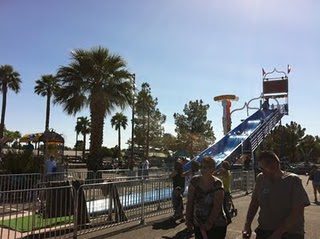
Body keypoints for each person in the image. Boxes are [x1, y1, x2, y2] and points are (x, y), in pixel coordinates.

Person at [243, 151, 310, 239]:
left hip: (290, 233)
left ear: (276, 164)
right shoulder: (261, 178)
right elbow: (254, 202)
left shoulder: (293, 181)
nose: (262, 171)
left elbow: (297, 212)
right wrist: (247, 224)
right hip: (264, 230)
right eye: (261, 168)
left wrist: (278, 233)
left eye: (264, 168)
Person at [186, 156, 228, 239]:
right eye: (202, 167)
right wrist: (188, 220)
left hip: (217, 224)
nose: (203, 170)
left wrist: (209, 223)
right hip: (199, 223)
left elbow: (217, 207)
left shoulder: (217, 184)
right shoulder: (194, 181)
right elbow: (190, 202)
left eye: (206, 167)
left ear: (212, 169)